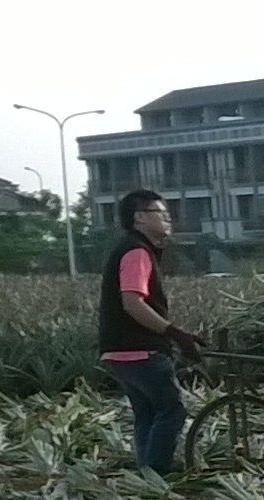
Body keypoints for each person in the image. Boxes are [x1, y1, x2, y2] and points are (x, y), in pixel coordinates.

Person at [99, 189, 203, 475]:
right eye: (160, 212)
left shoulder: (130, 248)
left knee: (147, 413)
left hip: (116, 351)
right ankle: (155, 475)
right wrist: (176, 333)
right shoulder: (136, 251)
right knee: (171, 412)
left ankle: (145, 474)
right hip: (141, 350)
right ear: (139, 218)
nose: (168, 218)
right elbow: (132, 303)